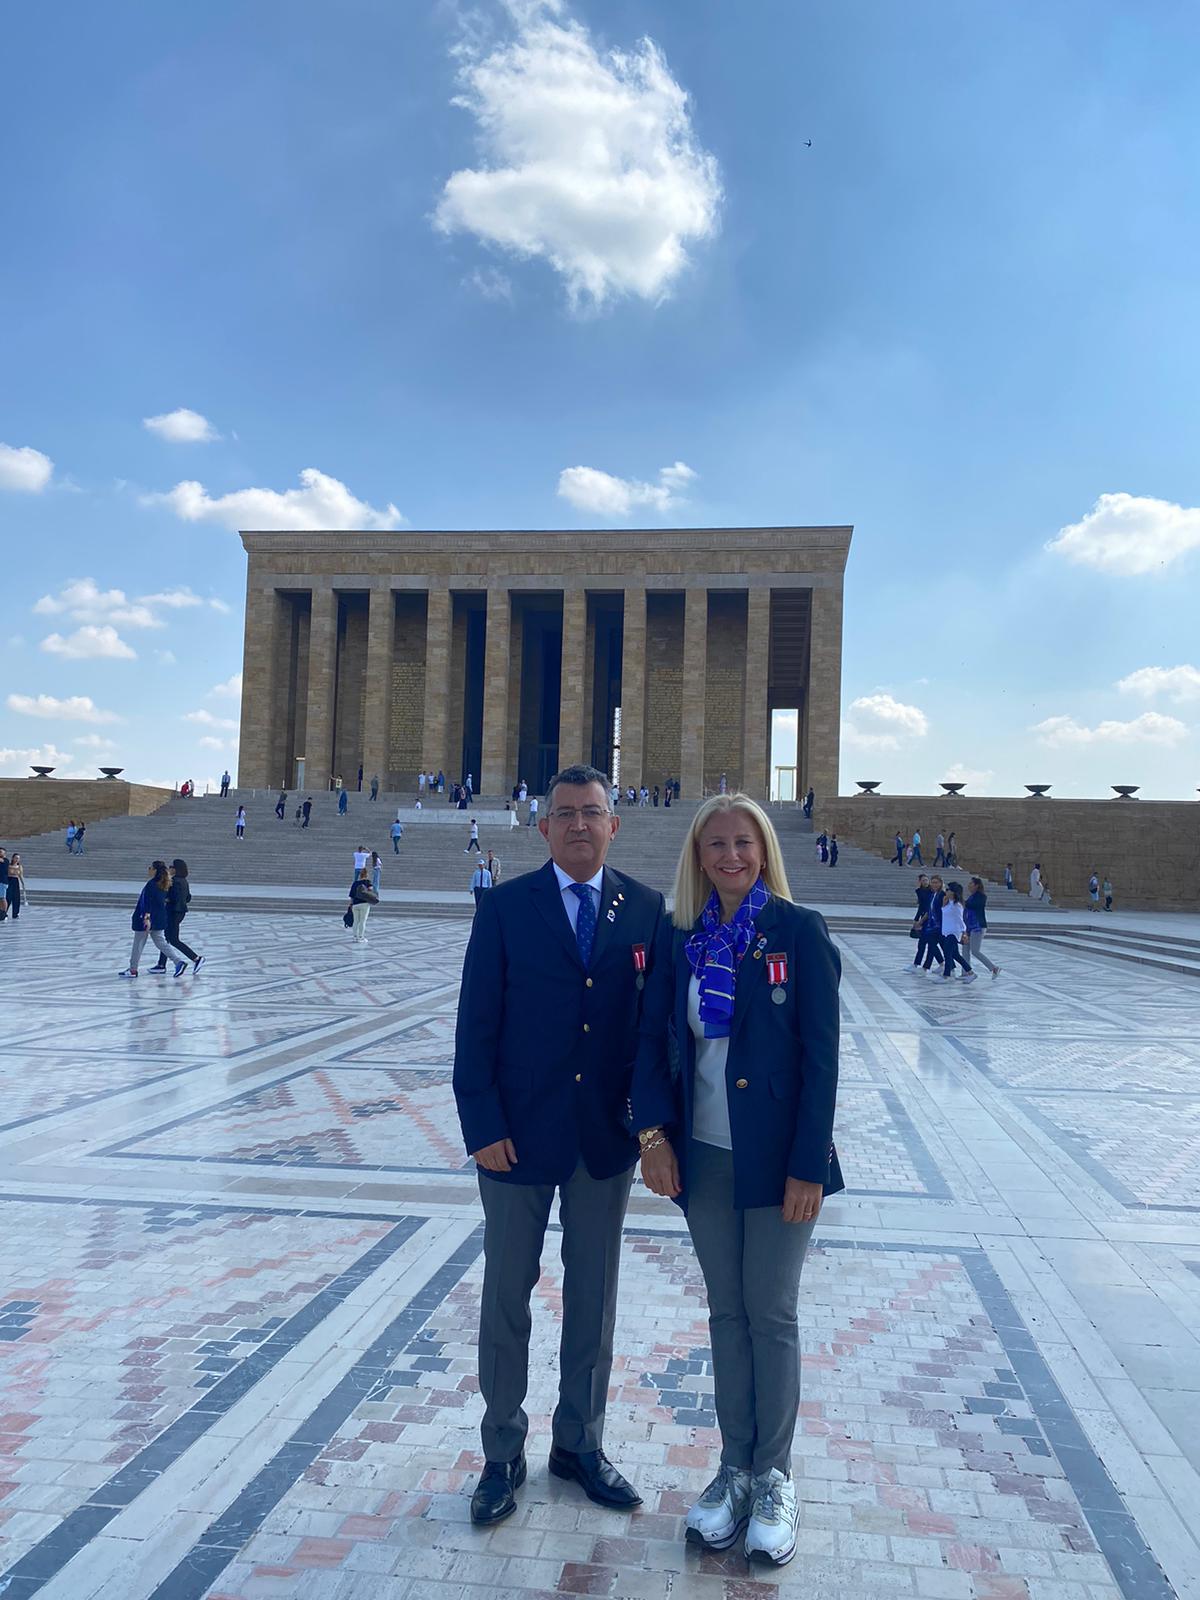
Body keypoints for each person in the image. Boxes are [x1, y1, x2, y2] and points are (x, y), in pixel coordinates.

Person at [453, 763, 669, 1528]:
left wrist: (649, 1131)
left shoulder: (644, 908)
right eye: (566, 813)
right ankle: (501, 1450)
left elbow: (654, 1034)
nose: (580, 824)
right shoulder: (506, 907)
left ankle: (579, 1442)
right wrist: (483, 1128)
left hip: (602, 1141)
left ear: (616, 824)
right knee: (506, 1299)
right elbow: (476, 1023)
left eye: (594, 812)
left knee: (594, 1301)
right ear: (543, 827)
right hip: (514, 1139)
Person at [633, 793, 842, 1566]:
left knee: (771, 1313)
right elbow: (654, 1049)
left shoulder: (798, 932)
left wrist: (807, 1167)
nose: (729, 855)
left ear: (764, 851)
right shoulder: (680, 935)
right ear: (696, 854)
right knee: (727, 1313)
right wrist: (653, 1138)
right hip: (706, 1158)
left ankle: (775, 1477)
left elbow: (822, 1064)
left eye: (742, 843)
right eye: (715, 843)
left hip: (779, 1160)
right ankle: (735, 1470)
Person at [119, 862, 190, 978]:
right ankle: (178, 962)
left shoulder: (152, 884)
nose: (149, 870)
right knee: (161, 942)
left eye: (150, 868)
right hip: (159, 917)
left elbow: (147, 902)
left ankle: (133, 970)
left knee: (138, 944)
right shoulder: (164, 883)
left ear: (155, 870)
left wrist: (146, 918)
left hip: (147, 919)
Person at [151, 859, 204, 975]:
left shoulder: (174, 881)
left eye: (171, 866)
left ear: (176, 868)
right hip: (179, 912)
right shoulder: (184, 881)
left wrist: (165, 899)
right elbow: (188, 897)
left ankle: (196, 958)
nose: (169, 868)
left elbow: (173, 897)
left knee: (173, 939)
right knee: (167, 938)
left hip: (173, 912)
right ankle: (161, 964)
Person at [964, 877, 1000, 979]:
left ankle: (993, 968)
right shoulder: (971, 896)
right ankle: (965, 972)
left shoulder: (981, 897)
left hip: (978, 926)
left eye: (971, 883)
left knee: (975, 950)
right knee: (965, 949)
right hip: (969, 926)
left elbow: (974, 905)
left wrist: (962, 901)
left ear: (977, 885)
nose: (969, 885)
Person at [940, 882, 975, 982]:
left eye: (948, 890)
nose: (946, 891)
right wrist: (943, 903)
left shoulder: (957, 905)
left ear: (954, 892)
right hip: (946, 931)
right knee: (955, 954)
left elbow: (960, 920)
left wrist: (964, 933)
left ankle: (946, 975)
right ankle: (970, 973)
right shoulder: (948, 902)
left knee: (947, 953)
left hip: (953, 932)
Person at [917, 875, 946, 972]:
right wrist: (921, 921)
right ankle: (938, 965)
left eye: (936, 882)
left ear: (941, 883)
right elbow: (929, 911)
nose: (934, 884)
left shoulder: (943, 895)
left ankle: (946, 966)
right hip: (932, 925)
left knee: (939, 946)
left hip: (940, 925)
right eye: (932, 882)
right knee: (932, 945)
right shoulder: (933, 895)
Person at [348, 867, 377, 943]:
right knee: (362, 921)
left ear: (360, 875)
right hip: (364, 904)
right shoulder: (367, 882)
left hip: (355, 904)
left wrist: (351, 904)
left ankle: (355, 937)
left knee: (356, 921)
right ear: (367, 875)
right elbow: (371, 891)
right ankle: (361, 937)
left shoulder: (355, 883)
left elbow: (351, 895)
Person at [909, 875, 933, 969]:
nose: (925, 882)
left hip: (930, 919)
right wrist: (916, 918)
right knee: (922, 943)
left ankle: (941, 964)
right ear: (920, 882)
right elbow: (921, 906)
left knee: (930, 944)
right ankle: (916, 963)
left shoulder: (931, 892)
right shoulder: (919, 891)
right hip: (924, 917)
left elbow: (927, 906)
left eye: (927, 880)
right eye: (923, 880)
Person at [5, 854, 24, 920]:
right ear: (12, 858)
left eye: (18, 858)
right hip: (9, 881)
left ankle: (15, 913)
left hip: (16, 882)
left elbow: (21, 876)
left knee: (16, 898)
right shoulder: (8, 866)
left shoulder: (19, 867)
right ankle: (4, 912)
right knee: (7, 897)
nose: (17, 859)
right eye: (16, 858)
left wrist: (23, 884)